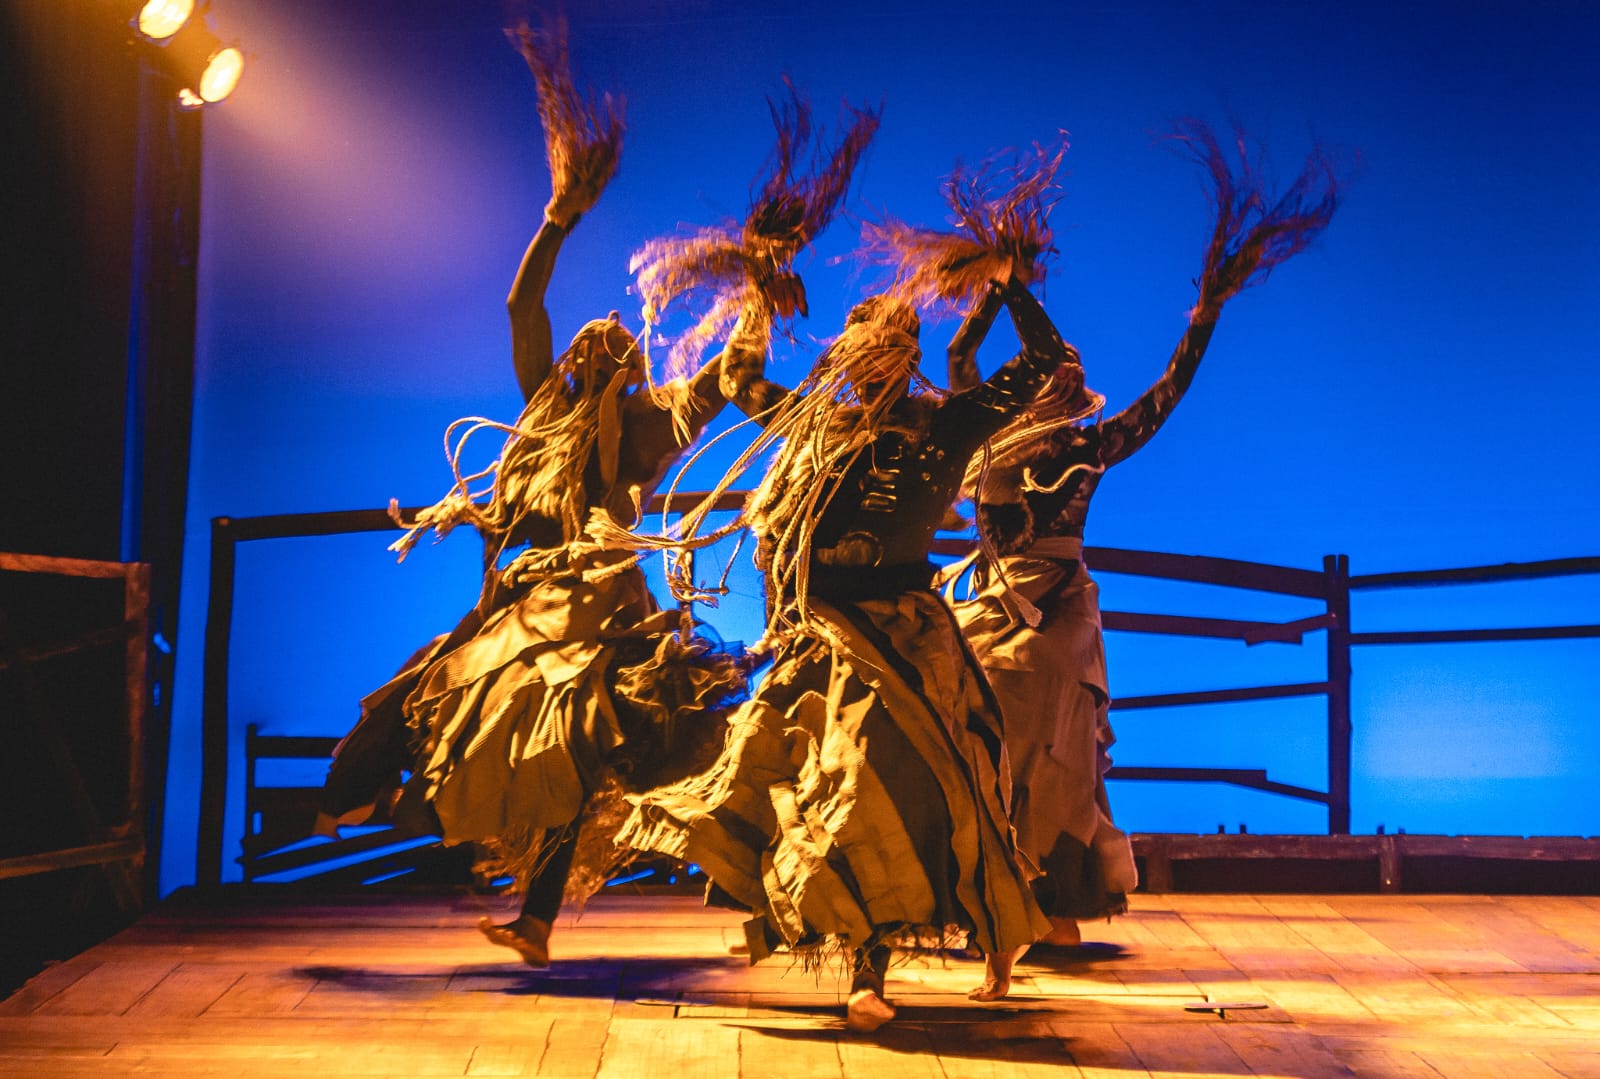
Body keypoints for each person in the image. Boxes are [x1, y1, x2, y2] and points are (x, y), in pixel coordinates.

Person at [315, 23, 859, 968]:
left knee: (598, 750)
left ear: (632, 364)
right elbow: (524, 308)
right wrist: (555, 220)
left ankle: (753, 891)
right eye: (593, 336)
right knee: (414, 696)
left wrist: (759, 291)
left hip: (593, 620)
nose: (605, 335)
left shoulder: (647, 427)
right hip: (513, 610)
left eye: (620, 339)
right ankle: (375, 812)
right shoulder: (543, 408)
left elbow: (731, 374)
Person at [618, 236, 1093, 1027]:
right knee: (825, 788)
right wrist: (759, 295)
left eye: (887, 350)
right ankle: (858, 964)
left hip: (906, 637)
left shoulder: (946, 424)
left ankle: (971, 942)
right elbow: (737, 378)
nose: (869, 364)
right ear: (846, 352)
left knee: (925, 782)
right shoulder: (817, 424)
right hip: (822, 631)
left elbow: (1042, 359)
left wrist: (1009, 282)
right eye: (859, 347)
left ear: (904, 356)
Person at [945, 120, 1342, 951]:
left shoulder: (1045, 441)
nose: (1078, 380)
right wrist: (1004, 284)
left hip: (1038, 611)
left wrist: (1003, 285)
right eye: (1069, 372)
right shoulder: (1027, 439)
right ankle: (1017, 907)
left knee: (1029, 748)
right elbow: (966, 354)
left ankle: (1032, 908)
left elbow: (1162, 386)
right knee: (1015, 742)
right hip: (1020, 605)